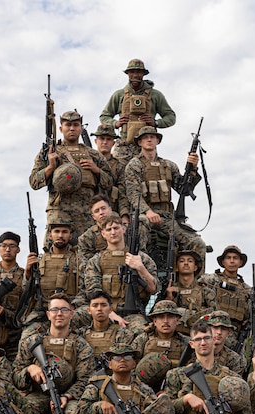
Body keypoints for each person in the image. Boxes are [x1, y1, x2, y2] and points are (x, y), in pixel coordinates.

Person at [122, 126, 207, 266]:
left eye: (152, 137)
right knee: (138, 231)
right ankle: (141, 270)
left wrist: (192, 169)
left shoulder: (169, 166)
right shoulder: (134, 165)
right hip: (144, 215)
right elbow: (133, 194)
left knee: (197, 243)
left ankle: (196, 284)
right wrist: (148, 211)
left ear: (157, 140)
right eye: (145, 137)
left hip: (167, 217)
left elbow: (184, 190)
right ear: (139, 142)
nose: (149, 139)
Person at [30, 110, 113, 241]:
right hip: (59, 211)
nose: (72, 128)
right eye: (68, 125)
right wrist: (51, 167)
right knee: (55, 254)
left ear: (81, 128)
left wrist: (96, 170)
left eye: (75, 125)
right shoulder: (50, 151)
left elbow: (109, 183)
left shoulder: (93, 154)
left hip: (86, 211)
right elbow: (34, 182)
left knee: (87, 249)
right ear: (61, 128)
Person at [81, 215, 159, 333]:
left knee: (140, 331)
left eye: (116, 228)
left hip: (134, 314)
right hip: (104, 312)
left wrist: (140, 267)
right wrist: (111, 314)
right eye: (109, 229)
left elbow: (153, 288)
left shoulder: (141, 258)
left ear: (123, 229)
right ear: (103, 234)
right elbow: (93, 292)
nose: (113, 232)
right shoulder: (96, 260)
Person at [99, 58, 176, 160]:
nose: (135, 75)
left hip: (147, 144)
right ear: (128, 74)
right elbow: (104, 116)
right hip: (124, 143)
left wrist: (156, 123)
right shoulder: (119, 95)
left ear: (143, 74)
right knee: (116, 172)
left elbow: (171, 117)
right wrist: (115, 123)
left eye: (139, 72)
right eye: (132, 72)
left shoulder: (155, 95)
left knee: (150, 173)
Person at [202, 246, 253, 349]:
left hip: (236, 336)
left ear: (240, 262)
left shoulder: (246, 290)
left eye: (235, 258)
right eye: (228, 258)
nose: (232, 261)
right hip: (212, 332)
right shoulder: (211, 280)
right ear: (223, 261)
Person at [0, 231, 28, 360]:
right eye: (3, 245)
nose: (7, 249)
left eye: (12, 246)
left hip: (14, 336)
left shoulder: (25, 276)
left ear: (18, 249)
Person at [132, 300, 188, 391]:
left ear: (177, 320)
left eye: (170, 317)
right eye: (161, 317)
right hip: (143, 389)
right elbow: (131, 366)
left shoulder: (186, 342)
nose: (165, 321)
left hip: (175, 390)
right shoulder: (143, 339)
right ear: (154, 320)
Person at [166, 250, 216, 332]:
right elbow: (157, 318)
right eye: (182, 261)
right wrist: (168, 298)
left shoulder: (205, 291)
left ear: (195, 267)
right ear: (177, 267)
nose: (186, 263)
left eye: (190, 261)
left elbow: (216, 318)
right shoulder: (170, 290)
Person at [92, 123, 131, 218]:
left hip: (112, 213)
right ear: (96, 141)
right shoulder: (88, 162)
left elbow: (122, 195)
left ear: (113, 143)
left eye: (108, 139)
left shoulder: (119, 166)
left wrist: (124, 216)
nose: (105, 142)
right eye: (102, 138)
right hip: (90, 213)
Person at [200, 309, 247, 377]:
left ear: (228, 333)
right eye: (215, 327)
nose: (219, 332)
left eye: (223, 329)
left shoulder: (235, 360)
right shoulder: (194, 351)